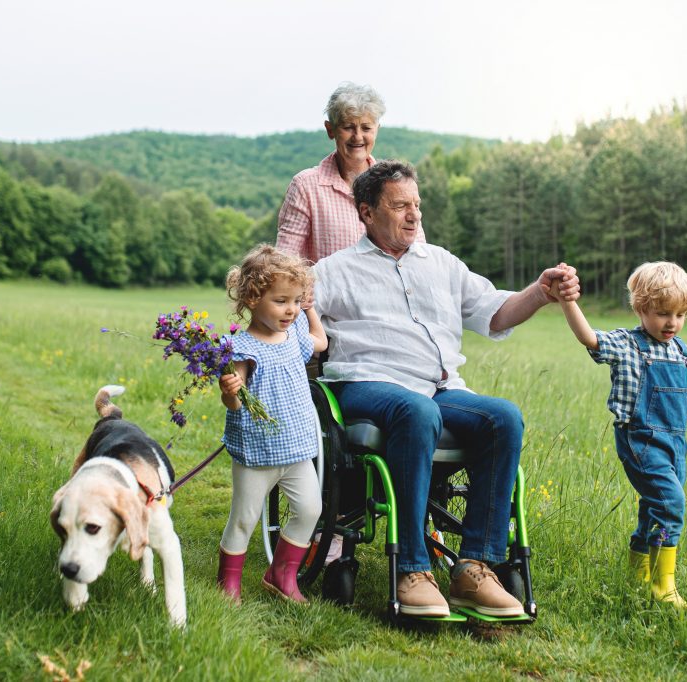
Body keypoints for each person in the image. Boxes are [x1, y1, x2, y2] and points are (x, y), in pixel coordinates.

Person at [313, 160, 580, 617]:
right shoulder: (335, 271)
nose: (414, 215)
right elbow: (288, 312)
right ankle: (412, 568)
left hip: (438, 390)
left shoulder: (441, 263)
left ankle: (475, 566)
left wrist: (539, 292)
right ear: (366, 213)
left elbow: (494, 312)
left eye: (416, 205)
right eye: (400, 206)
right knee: (418, 411)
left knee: (502, 418)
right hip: (366, 387)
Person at [555, 261, 687, 609]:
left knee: (653, 506)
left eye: (680, 314)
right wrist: (568, 301)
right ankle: (664, 586)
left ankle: (637, 574)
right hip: (641, 440)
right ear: (641, 308)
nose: (672, 322)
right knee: (670, 503)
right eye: (662, 313)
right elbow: (590, 338)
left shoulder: (680, 350)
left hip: (675, 443)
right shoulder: (628, 344)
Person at [215, 244, 329, 604]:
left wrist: (310, 313)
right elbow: (234, 403)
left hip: (297, 448)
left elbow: (320, 343)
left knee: (311, 509)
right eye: (282, 301)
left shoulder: (294, 334)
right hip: (257, 451)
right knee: (244, 519)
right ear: (251, 298)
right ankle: (228, 585)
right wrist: (230, 390)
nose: (290, 309)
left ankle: (281, 574)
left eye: (296, 300)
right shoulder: (242, 347)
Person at [276, 82, 425, 263]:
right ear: (330, 130)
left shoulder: (397, 187)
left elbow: (418, 254)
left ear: (377, 129)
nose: (358, 137)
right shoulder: (305, 187)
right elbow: (284, 263)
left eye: (366, 128)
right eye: (348, 127)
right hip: (328, 291)